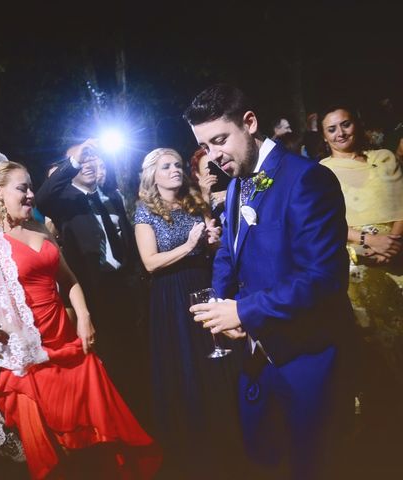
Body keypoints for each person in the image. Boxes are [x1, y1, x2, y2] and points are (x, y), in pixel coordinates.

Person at [0, 146, 161, 479]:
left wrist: (83, 317)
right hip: (29, 352)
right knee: (54, 445)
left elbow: (69, 280)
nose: (30, 195)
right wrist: (10, 327)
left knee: (98, 428)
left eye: (31, 187)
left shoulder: (40, 229)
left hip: (66, 337)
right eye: (22, 188)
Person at [184, 84, 355, 479]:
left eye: (220, 140)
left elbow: (323, 278)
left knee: (313, 465)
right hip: (257, 358)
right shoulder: (236, 185)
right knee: (262, 460)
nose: (213, 156)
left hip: (308, 359)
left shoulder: (308, 179)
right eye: (205, 146)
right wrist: (221, 306)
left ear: (250, 123)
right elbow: (229, 252)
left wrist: (243, 310)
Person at [134, 147, 241, 476]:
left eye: (178, 165)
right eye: (166, 166)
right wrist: (188, 244)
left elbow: (211, 246)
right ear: (152, 173)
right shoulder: (144, 210)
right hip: (172, 293)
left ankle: (228, 421)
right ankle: (196, 430)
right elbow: (150, 263)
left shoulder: (195, 201)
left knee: (217, 351)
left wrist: (211, 239)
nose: (175, 170)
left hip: (203, 281)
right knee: (187, 357)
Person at [35, 141, 146, 411]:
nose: (87, 163)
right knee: (113, 360)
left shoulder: (112, 196)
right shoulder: (62, 201)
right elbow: (41, 199)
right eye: (80, 161)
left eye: (92, 158)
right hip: (95, 292)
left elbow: (128, 241)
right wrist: (74, 158)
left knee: (140, 352)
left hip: (127, 287)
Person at [319, 105, 403, 411]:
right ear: (324, 136)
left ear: (357, 124)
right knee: (368, 339)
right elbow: (324, 222)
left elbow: (400, 204)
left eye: (346, 124)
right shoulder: (320, 171)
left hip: (396, 255)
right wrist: (369, 241)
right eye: (332, 129)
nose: (341, 133)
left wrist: (392, 242)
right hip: (355, 263)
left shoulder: (384, 158)